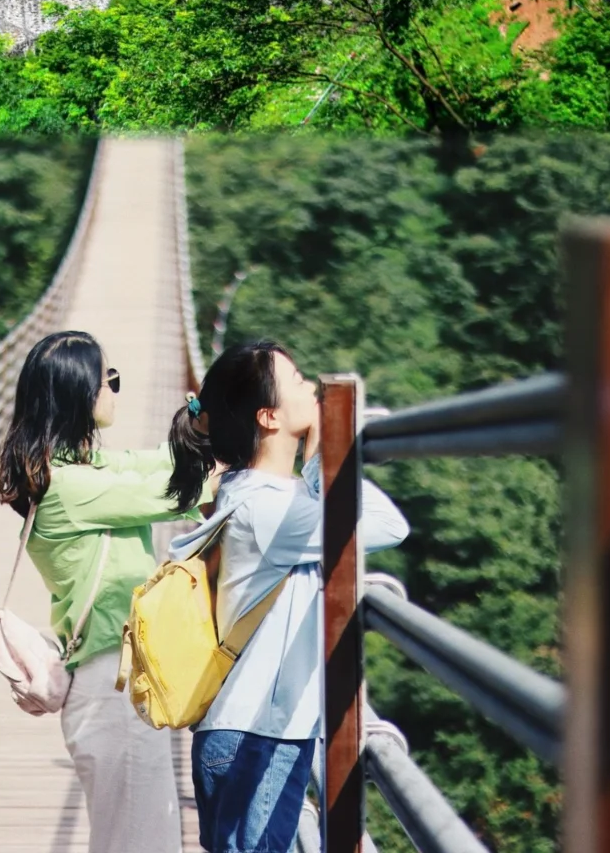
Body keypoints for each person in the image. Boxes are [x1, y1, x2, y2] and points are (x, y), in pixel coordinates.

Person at [167, 341, 409, 853]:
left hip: (251, 734)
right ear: (269, 416)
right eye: (298, 380)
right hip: (257, 738)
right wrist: (327, 451)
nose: (312, 388)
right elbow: (390, 525)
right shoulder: (271, 509)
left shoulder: (256, 494)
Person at [0, 329, 207, 853]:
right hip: (114, 690)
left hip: (116, 685)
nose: (115, 387)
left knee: (137, 840)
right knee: (143, 844)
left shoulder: (76, 470)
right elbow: (178, 490)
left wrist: (204, 420)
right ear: (79, 393)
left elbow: (155, 463)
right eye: (108, 378)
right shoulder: (70, 488)